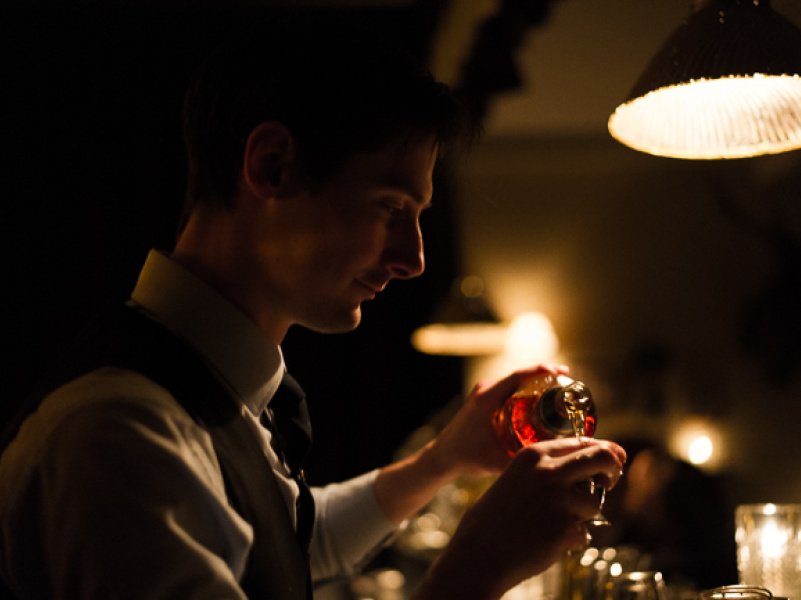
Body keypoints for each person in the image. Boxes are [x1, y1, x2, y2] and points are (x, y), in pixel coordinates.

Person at [0, 16, 626, 600]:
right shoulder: (120, 432)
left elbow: (294, 544)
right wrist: (482, 564)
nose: (413, 259)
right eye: (391, 207)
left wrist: (443, 460)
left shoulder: (203, 386)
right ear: (271, 167)